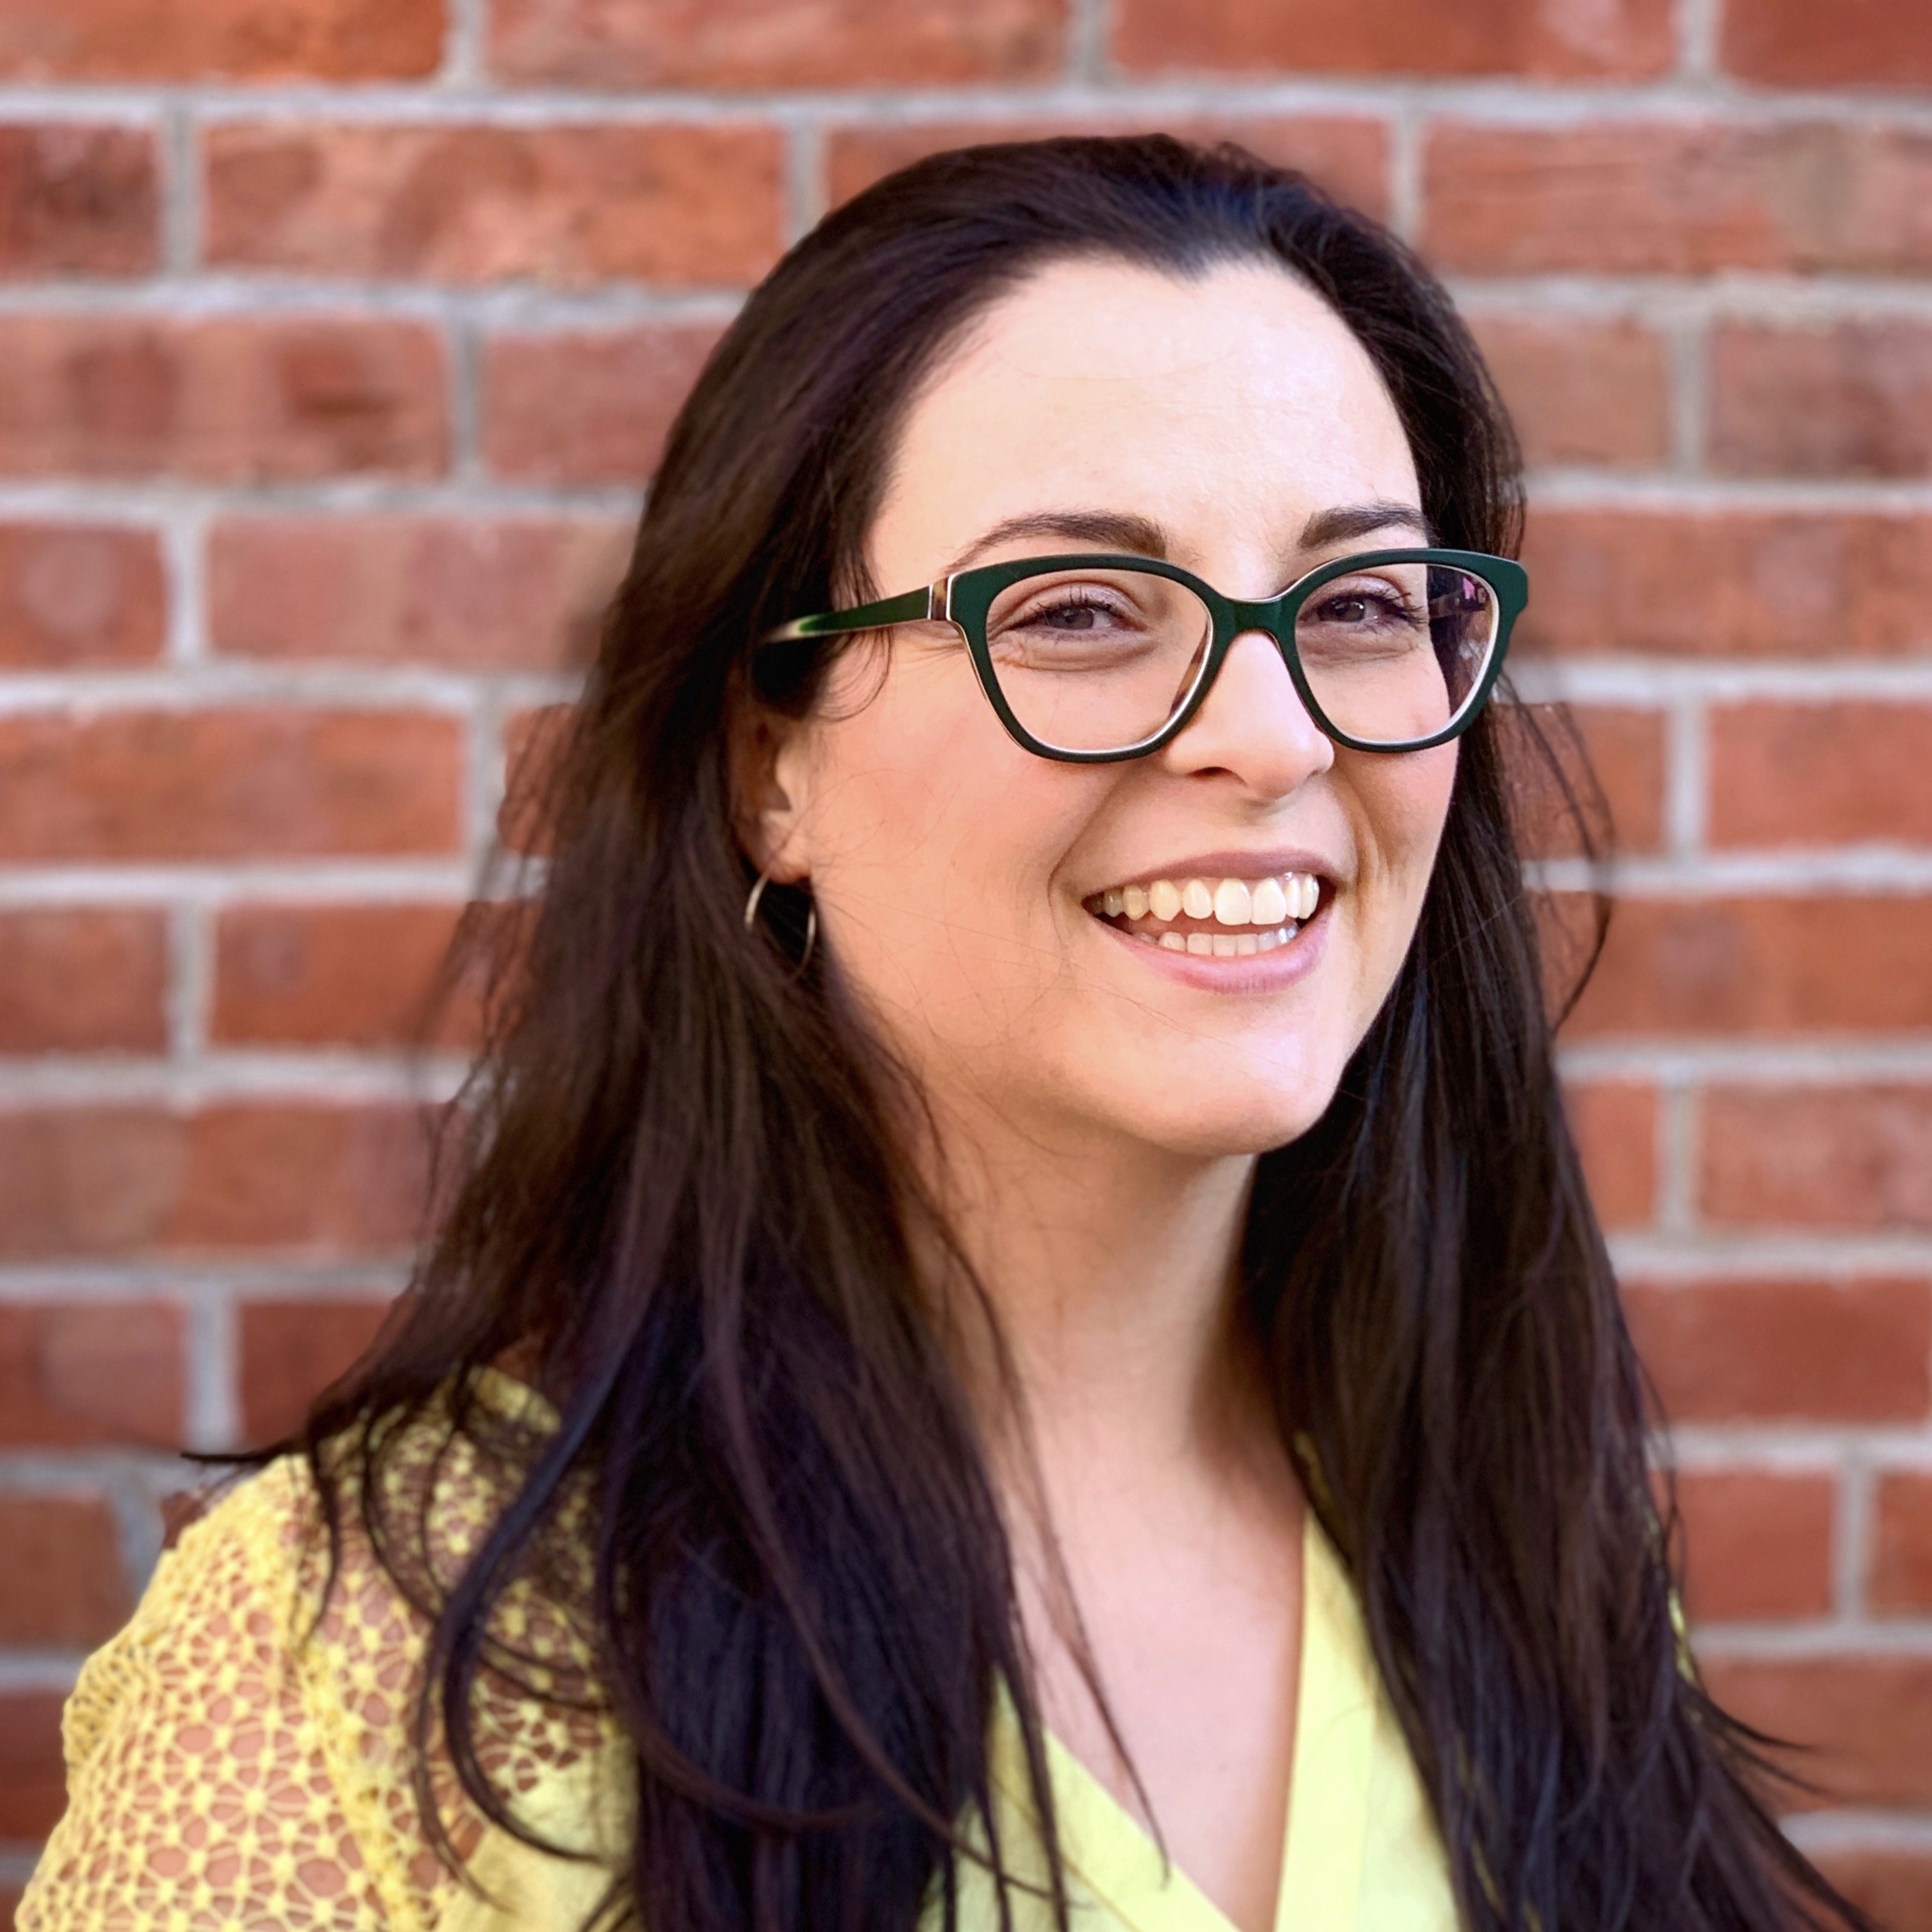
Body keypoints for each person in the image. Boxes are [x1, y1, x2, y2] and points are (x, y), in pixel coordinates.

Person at [18, 135, 1865, 1932]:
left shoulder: (1528, 1553)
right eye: (1073, 608)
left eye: (1363, 603)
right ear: (770, 766)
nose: (1279, 735)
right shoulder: (371, 1667)